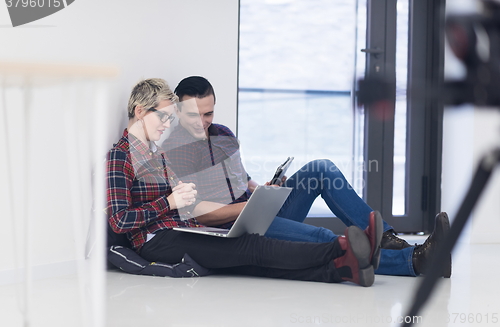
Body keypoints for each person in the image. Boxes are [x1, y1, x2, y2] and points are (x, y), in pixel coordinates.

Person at [162, 76, 452, 278]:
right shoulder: (175, 151)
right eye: (193, 116)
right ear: (177, 109)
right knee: (322, 237)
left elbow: (242, 179)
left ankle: (388, 240)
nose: (203, 123)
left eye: (208, 113)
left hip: (256, 210)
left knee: (321, 168)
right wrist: (250, 207)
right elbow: (197, 214)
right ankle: (416, 261)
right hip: (233, 230)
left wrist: (262, 190)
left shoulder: (223, 134)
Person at [106, 78, 384, 287]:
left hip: (185, 227)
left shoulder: (158, 155)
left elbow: (194, 200)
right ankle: (344, 249)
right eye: (163, 117)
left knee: (250, 261)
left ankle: (342, 269)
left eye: (169, 117)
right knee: (251, 248)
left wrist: (257, 191)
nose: (166, 124)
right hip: (157, 238)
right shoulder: (121, 156)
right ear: (140, 111)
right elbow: (119, 221)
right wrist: (169, 201)